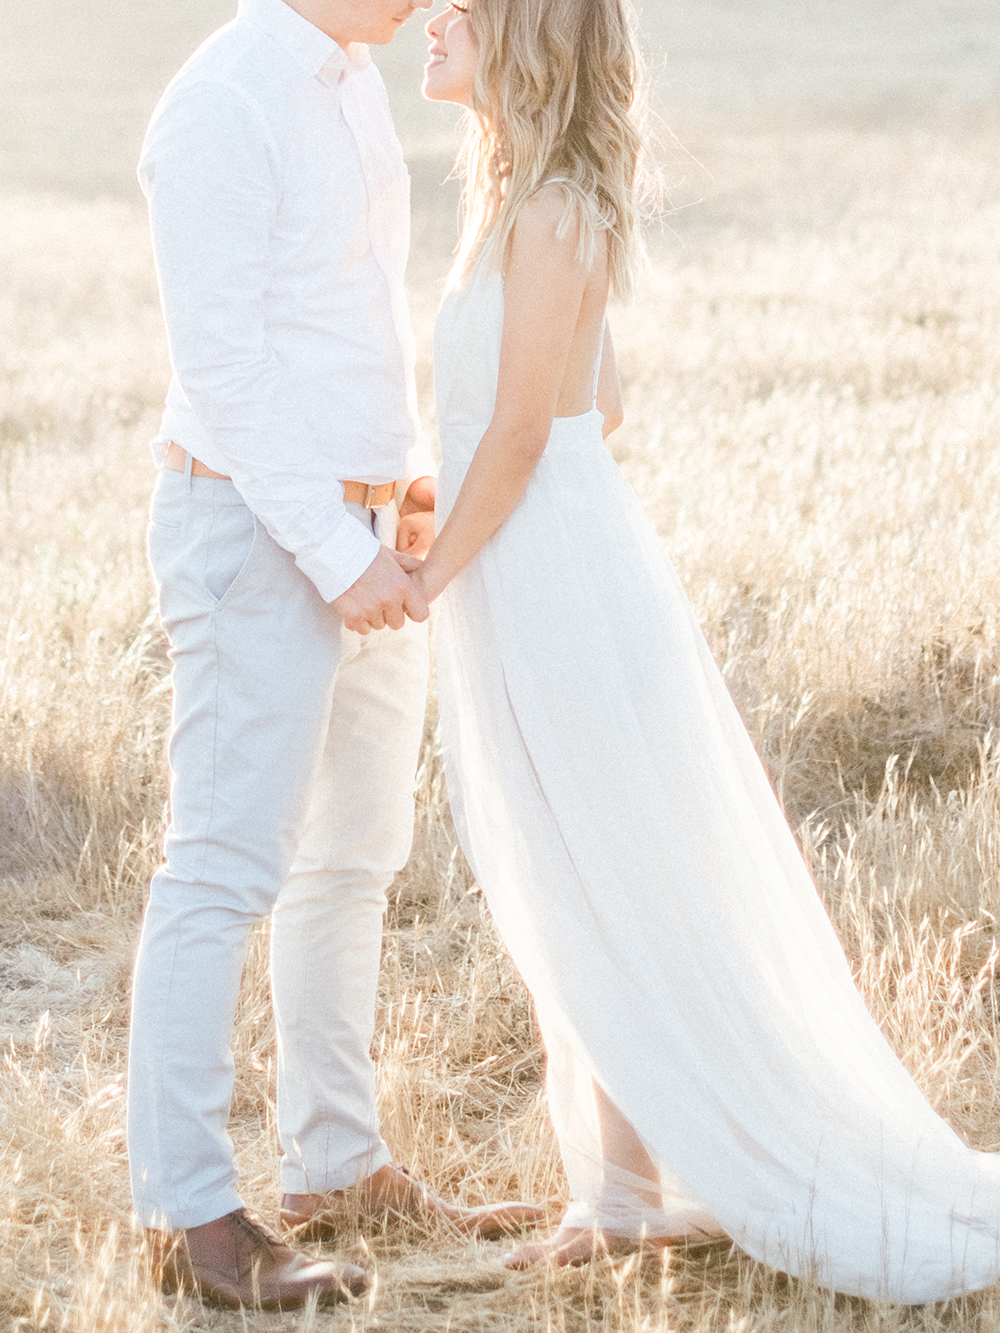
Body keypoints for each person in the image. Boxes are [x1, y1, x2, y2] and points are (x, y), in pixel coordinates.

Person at [413, 0, 1000, 1303]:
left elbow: (525, 435)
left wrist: (427, 569)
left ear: (520, 38)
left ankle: (632, 1195)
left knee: (598, 870)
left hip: (556, 583)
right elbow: (593, 401)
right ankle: (614, 1194)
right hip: (536, 559)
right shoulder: (517, 201)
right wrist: (440, 507)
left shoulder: (556, 209)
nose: (432, 19)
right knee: (577, 876)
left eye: (463, 6)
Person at [129, 0, 540, 1312]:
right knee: (222, 867)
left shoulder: (352, 81)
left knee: (351, 862)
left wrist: (405, 488)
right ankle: (186, 1213)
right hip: (259, 533)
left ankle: (337, 1163)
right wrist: (333, 545)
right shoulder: (222, 101)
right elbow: (227, 366)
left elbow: (348, 320)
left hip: (368, 522)